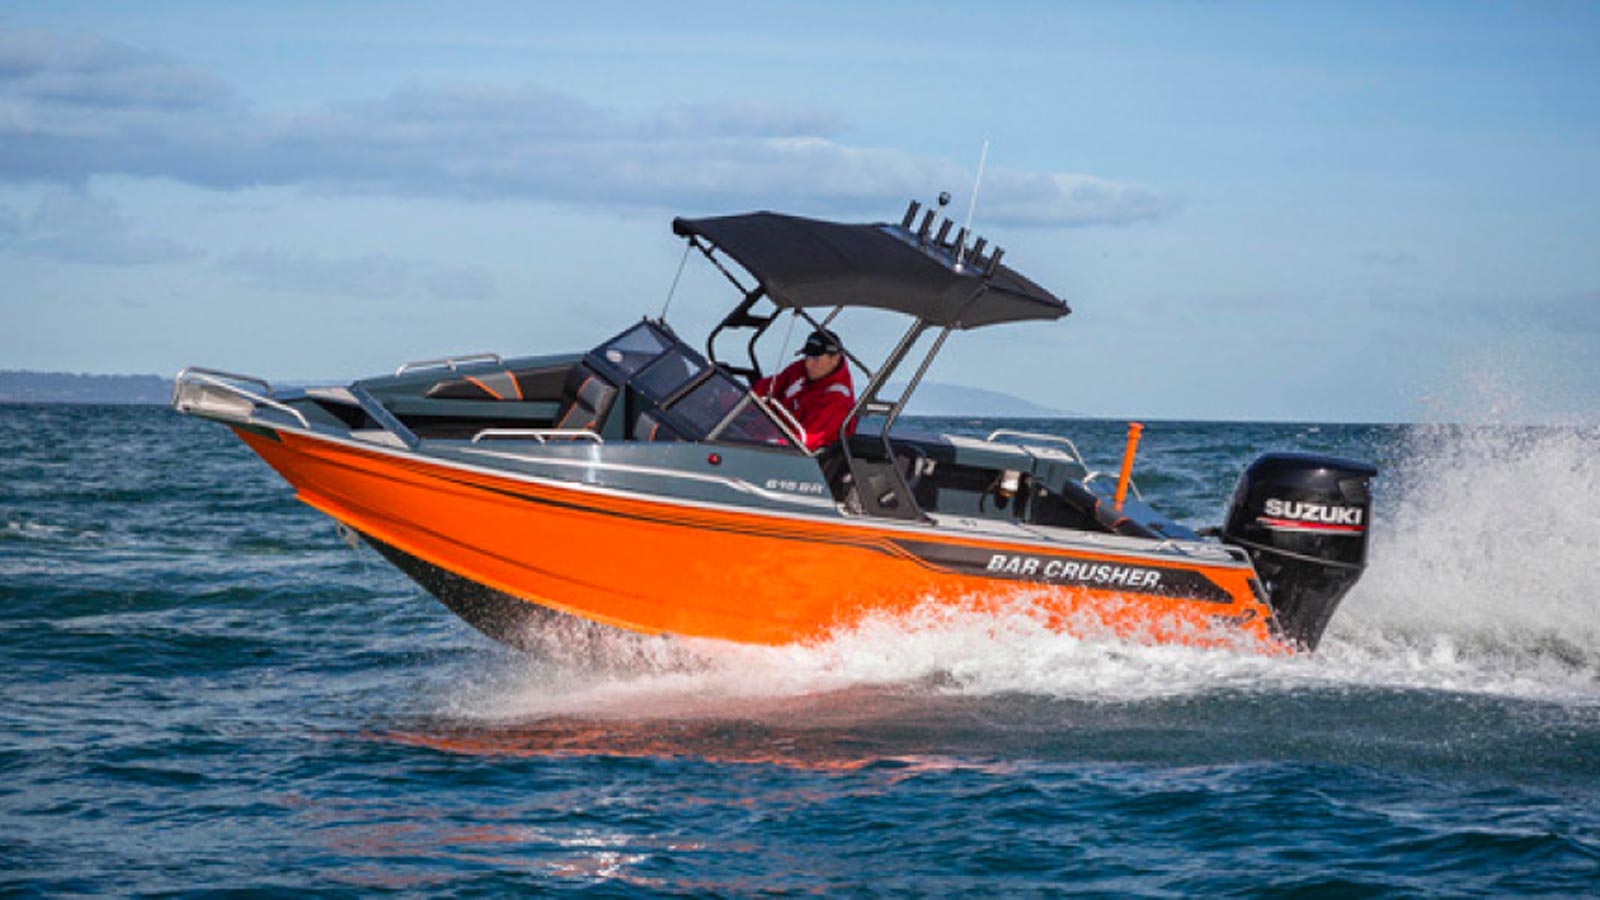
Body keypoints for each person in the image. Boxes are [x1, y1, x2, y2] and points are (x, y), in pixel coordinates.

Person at [752, 328, 856, 451]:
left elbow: (808, 440)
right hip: (763, 434)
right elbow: (767, 388)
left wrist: (770, 444)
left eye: (816, 359)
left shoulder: (837, 400)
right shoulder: (800, 370)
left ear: (835, 359)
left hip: (794, 456)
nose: (808, 364)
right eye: (807, 356)